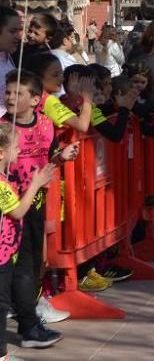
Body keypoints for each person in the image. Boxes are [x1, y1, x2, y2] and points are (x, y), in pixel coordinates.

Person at [3, 71, 80, 334]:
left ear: (36, 100)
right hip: (12, 208)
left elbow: (49, 157)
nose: (10, 97)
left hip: (37, 203)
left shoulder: (46, 124)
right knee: (22, 266)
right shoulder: (4, 128)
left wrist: (62, 156)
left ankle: (28, 316)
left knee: (35, 263)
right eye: (8, 92)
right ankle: (28, 324)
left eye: (18, 93)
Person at [0, 123, 60, 355]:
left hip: (6, 255)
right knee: (1, 305)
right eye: (15, 146)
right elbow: (18, 211)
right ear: (2, 152)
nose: (18, 151)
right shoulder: (1, 185)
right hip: (1, 258)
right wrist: (35, 184)